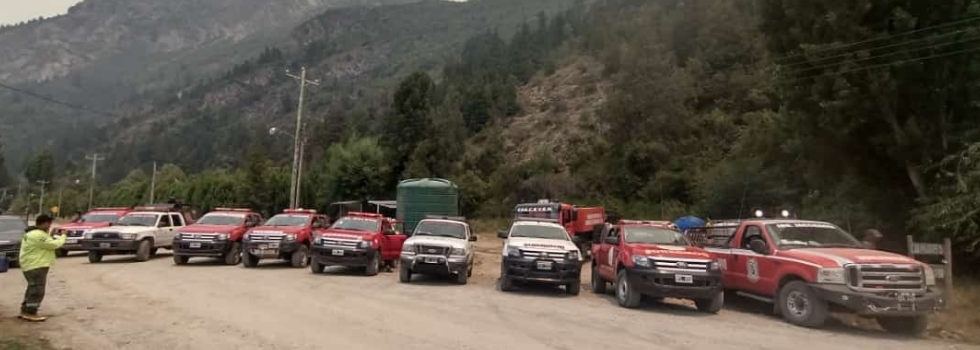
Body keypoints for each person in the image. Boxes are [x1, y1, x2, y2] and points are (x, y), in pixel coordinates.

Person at [17, 215, 66, 322]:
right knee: (37, 290)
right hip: (35, 265)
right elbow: (53, 245)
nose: (49, 226)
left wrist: (51, 235)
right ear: (43, 223)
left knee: (32, 288)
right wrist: (63, 236)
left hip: (33, 264)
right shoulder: (37, 234)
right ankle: (30, 312)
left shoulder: (35, 233)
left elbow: (46, 241)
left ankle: (25, 310)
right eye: (48, 223)